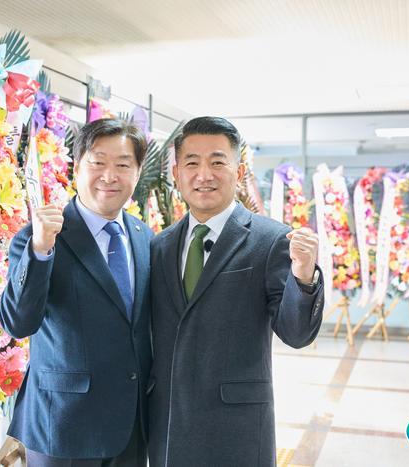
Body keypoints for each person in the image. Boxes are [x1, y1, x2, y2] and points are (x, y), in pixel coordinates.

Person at [147, 116, 324, 466]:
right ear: (176, 173)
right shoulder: (159, 246)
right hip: (169, 423)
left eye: (217, 162)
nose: (204, 175)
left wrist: (303, 276)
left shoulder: (270, 240)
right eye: (192, 163)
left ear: (239, 172)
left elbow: (297, 333)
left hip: (236, 427)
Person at [0, 118, 153, 467]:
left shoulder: (144, 236)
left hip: (131, 427)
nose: (109, 176)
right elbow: (17, 323)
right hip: (63, 425)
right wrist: (40, 250)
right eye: (98, 162)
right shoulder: (40, 235)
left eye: (123, 165)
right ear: (77, 168)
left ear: (137, 173)